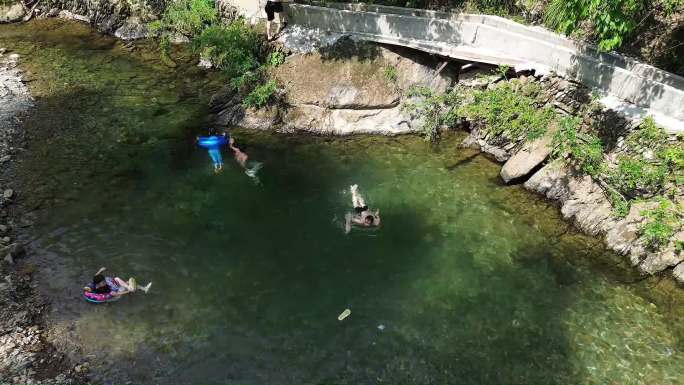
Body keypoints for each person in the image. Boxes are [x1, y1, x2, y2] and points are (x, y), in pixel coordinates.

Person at [83, 267, 152, 297]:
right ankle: (138, 289)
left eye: (104, 281)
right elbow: (115, 294)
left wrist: (101, 270)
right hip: (115, 291)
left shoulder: (96, 282)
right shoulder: (105, 289)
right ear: (98, 283)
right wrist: (128, 292)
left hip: (112, 286)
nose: (105, 282)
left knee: (117, 279)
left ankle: (134, 287)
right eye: (103, 282)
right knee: (127, 283)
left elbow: (96, 276)